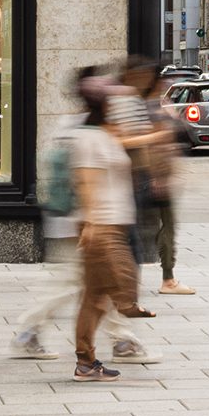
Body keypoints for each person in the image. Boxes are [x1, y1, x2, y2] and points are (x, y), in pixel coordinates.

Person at [11, 68, 154, 367]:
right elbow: (88, 179)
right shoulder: (87, 129)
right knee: (83, 284)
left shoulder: (82, 125)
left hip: (87, 221)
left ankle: (118, 341)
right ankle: (34, 332)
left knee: (95, 285)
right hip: (84, 223)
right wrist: (90, 223)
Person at [70, 74, 143, 382]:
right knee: (103, 293)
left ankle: (86, 361)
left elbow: (133, 140)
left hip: (113, 224)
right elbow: (86, 182)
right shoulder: (89, 138)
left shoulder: (105, 133)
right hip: (103, 226)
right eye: (112, 101)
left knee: (95, 297)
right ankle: (87, 359)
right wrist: (90, 223)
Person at [122, 58, 192, 297]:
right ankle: (167, 279)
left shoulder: (148, 106)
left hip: (151, 178)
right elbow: (156, 145)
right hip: (155, 179)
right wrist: (158, 177)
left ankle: (156, 278)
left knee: (149, 229)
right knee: (163, 228)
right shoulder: (152, 109)